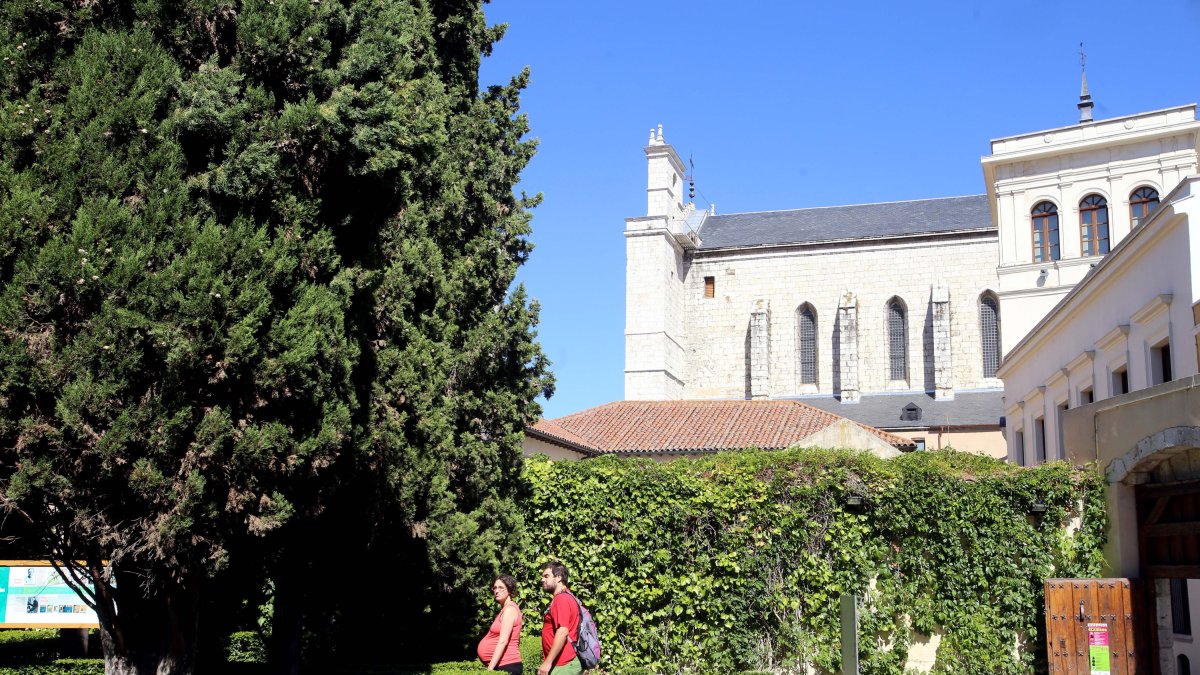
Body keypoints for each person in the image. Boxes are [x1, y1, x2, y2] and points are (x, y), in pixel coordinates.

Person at [538, 561, 581, 675]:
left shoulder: (561, 599)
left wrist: (547, 662)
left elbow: (562, 631)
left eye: (546, 576)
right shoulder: (565, 596)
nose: (542, 580)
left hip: (564, 663)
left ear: (558, 578)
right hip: (562, 662)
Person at [478, 574, 524, 673]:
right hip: (503, 665)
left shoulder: (510, 610)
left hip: (508, 665)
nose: (496, 591)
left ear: (509, 590)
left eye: (501, 587)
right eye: (495, 588)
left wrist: (489, 670)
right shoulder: (505, 609)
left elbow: (503, 641)